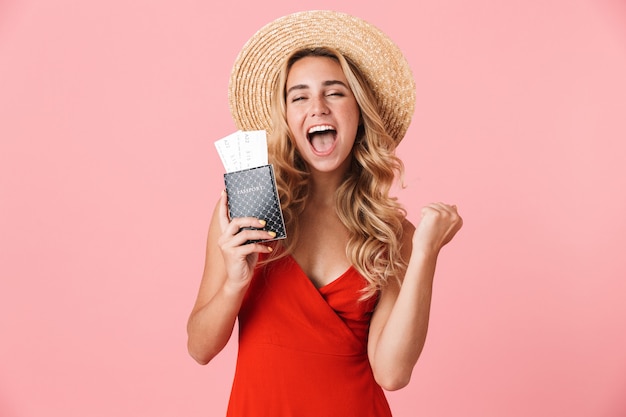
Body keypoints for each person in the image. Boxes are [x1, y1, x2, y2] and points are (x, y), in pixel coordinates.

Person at [187, 10, 463, 417]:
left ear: (358, 111)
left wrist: (425, 252)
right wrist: (233, 282)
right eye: (299, 96)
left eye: (334, 92)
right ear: (286, 117)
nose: (317, 107)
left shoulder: (390, 230)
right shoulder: (245, 208)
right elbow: (199, 347)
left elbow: (391, 373)